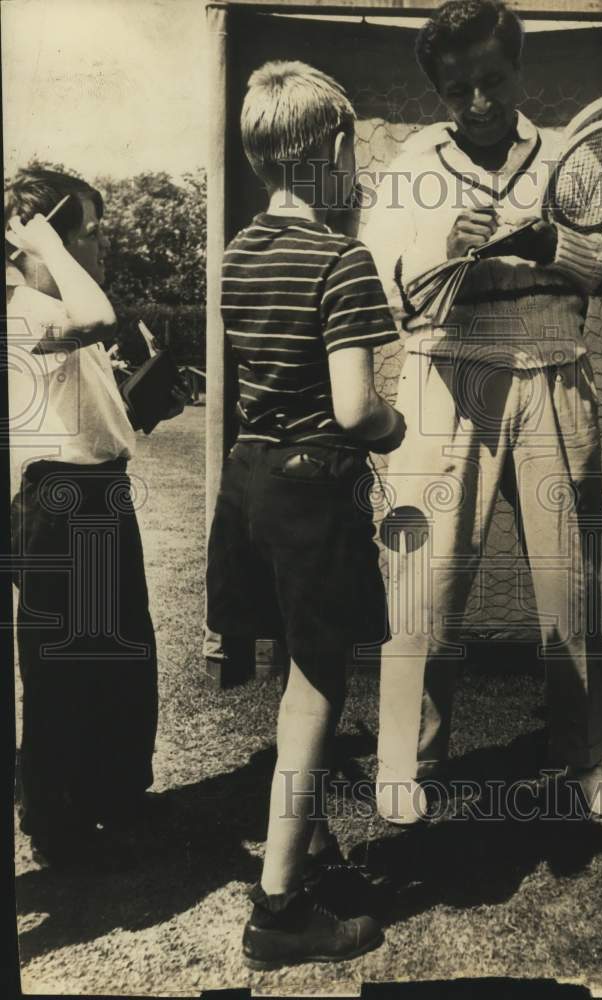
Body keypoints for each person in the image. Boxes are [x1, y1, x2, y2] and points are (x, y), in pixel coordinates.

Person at [363, 0, 602, 822]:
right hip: (446, 378)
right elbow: (381, 281)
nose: (479, 102)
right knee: (423, 577)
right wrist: (444, 245)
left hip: (554, 376)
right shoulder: (413, 163)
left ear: (518, 70)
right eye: (459, 90)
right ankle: (404, 760)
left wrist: (559, 246)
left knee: (572, 583)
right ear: (438, 92)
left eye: (492, 80)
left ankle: (586, 758)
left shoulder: (567, 155)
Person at [206, 61, 405, 969]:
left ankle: (312, 845)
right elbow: (358, 409)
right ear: (329, 150)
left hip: (249, 482)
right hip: (311, 489)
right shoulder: (342, 257)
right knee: (319, 682)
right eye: (353, 147)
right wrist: (394, 422)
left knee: (294, 659)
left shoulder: (239, 252)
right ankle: (279, 910)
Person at [6, 167, 177, 867]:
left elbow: (93, 409)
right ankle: (55, 814)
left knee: (117, 656)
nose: (100, 251)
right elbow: (98, 315)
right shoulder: (24, 308)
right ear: (38, 242)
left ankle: (108, 794)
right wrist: (47, 243)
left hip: (96, 491)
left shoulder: (55, 313)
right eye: (92, 235)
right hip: (61, 501)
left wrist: (143, 406)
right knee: (63, 667)